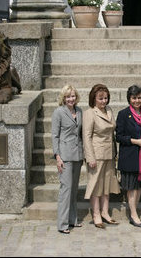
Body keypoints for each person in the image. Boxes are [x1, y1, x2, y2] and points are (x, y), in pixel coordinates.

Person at [83, 84, 120, 229]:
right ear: (94, 99)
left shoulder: (109, 110)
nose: (104, 101)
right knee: (95, 185)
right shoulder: (90, 113)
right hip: (96, 154)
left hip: (109, 153)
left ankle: (105, 212)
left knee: (107, 184)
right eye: (100, 98)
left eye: (105, 98)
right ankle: (96, 214)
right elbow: (86, 136)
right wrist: (90, 157)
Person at [116, 85, 141, 228]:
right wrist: (136, 141)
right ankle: (133, 214)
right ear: (129, 99)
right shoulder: (124, 114)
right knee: (131, 186)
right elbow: (119, 136)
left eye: (139, 97)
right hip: (130, 155)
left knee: (138, 187)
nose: (137, 100)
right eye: (134, 98)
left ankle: (134, 211)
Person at [51, 85, 83, 234]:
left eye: (73, 96)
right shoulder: (58, 112)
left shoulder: (80, 111)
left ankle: (72, 219)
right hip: (64, 155)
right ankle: (62, 224)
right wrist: (57, 157)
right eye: (68, 96)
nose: (71, 99)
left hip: (77, 155)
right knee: (66, 189)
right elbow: (54, 136)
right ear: (63, 98)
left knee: (74, 189)